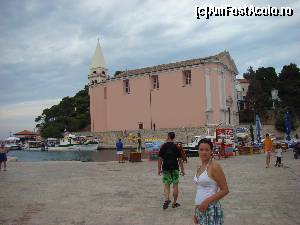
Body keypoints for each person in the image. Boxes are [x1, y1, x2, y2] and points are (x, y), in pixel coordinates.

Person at [193, 138, 229, 225]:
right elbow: (200, 189)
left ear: (211, 151)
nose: (204, 152)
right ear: (198, 151)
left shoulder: (215, 167)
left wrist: (206, 201)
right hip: (200, 209)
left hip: (211, 208)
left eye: (207, 150)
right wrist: (196, 211)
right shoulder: (199, 166)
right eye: (201, 149)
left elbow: (225, 190)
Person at [158, 132, 185, 210]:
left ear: (168, 136)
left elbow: (160, 159)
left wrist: (159, 169)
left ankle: (167, 199)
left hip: (166, 168)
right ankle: (174, 203)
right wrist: (182, 169)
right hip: (175, 168)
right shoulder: (176, 147)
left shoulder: (163, 146)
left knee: (167, 185)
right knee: (175, 185)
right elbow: (180, 159)